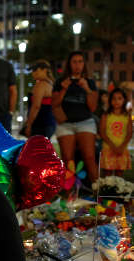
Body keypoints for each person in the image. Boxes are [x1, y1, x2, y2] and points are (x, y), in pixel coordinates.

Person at [52, 51, 99, 183]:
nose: (77, 65)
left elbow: (93, 107)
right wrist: (63, 89)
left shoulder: (89, 82)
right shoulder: (60, 82)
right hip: (65, 124)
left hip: (85, 122)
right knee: (68, 159)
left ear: (84, 64)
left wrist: (87, 89)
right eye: (74, 62)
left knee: (89, 157)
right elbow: (54, 103)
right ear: (69, 64)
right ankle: (69, 195)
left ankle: (97, 192)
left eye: (80, 62)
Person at [99, 88, 132, 177]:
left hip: (122, 149)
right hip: (108, 148)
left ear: (124, 100)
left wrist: (121, 147)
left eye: (119, 98)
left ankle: (117, 190)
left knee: (119, 174)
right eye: (113, 98)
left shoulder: (127, 116)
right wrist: (113, 146)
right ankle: (107, 190)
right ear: (110, 100)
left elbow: (129, 133)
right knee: (108, 173)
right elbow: (102, 132)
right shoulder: (106, 115)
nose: (116, 101)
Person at [23, 60, 56, 139]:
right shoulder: (50, 83)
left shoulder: (41, 85)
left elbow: (36, 106)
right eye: (32, 70)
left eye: (35, 70)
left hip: (40, 124)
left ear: (44, 70)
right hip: (49, 122)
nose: (33, 73)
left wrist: (29, 125)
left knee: (37, 149)